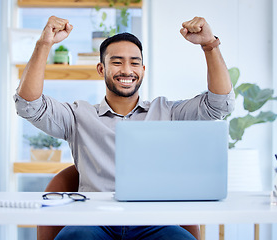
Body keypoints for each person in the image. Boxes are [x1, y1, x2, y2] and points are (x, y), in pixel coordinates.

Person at [14, 15, 234, 240]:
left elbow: (219, 105)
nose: (127, 70)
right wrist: (44, 44)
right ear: (101, 69)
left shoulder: (167, 112)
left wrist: (209, 45)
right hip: (93, 223)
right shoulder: (78, 115)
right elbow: (28, 105)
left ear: (143, 69)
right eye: (117, 62)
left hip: (154, 223)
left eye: (135, 62)